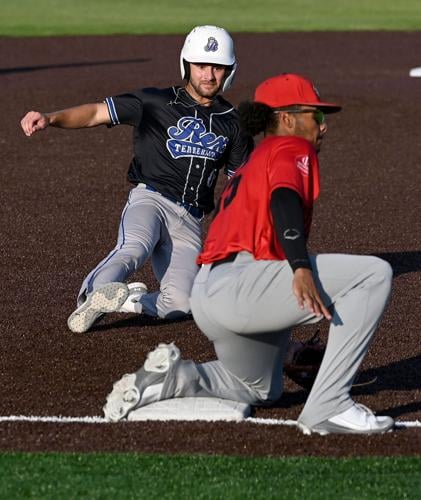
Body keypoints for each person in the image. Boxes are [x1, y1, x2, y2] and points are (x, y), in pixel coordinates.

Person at [103, 72, 395, 434]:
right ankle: (329, 404)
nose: (323, 127)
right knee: (373, 275)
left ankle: (175, 378)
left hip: (210, 293)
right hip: (241, 285)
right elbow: (283, 199)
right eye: (315, 116)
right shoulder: (291, 147)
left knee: (259, 387)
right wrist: (301, 266)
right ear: (287, 119)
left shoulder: (255, 161)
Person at [20, 26, 252, 333]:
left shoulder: (234, 124)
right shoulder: (154, 102)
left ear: (230, 71)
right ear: (186, 65)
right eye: (201, 65)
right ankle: (95, 294)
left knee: (181, 304)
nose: (208, 75)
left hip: (190, 221)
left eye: (217, 67)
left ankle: (127, 301)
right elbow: (95, 113)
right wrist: (51, 118)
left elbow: (240, 187)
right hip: (151, 200)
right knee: (134, 247)